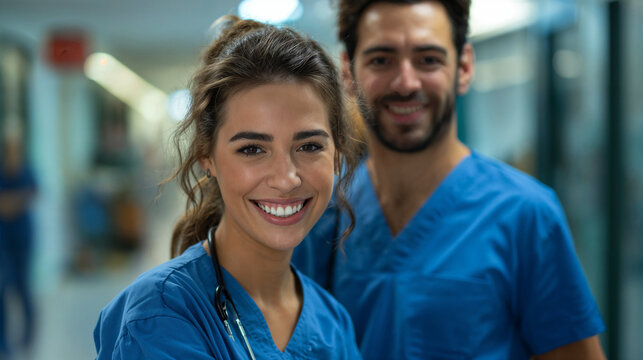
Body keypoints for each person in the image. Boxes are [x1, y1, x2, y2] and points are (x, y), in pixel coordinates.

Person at [292, 1, 606, 359]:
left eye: (428, 59)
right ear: (348, 72)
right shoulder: (320, 215)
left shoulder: (525, 216)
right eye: (381, 59)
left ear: (464, 67)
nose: (406, 82)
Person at [94, 16, 362, 359]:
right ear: (208, 157)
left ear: (336, 153)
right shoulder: (160, 315)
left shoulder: (333, 323)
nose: (286, 178)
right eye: (252, 149)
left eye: (309, 146)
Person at [0, 135, 37, 359]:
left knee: (23, 289)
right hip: (4, 241)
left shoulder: (27, 171)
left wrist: (8, 202)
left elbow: (31, 194)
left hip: (23, 240)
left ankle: (27, 337)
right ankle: (4, 341)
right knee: (3, 291)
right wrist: (16, 201)